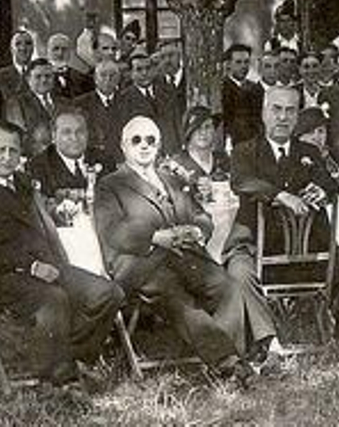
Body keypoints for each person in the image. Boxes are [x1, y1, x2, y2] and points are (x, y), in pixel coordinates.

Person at [92, 116, 269, 384]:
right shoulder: (110, 184)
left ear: (159, 145)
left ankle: (226, 358)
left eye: (151, 140)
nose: (144, 146)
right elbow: (113, 231)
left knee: (227, 286)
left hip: (184, 255)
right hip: (142, 263)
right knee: (178, 299)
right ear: (123, 146)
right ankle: (229, 365)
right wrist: (155, 236)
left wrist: (198, 231)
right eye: (136, 140)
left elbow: (201, 215)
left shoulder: (170, 179)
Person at [0, 121, 123, 387]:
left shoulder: (22, 182)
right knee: (54, 299)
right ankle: (61, 379)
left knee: (109, 293)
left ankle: (76, 357)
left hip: (48, 265)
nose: (7, 156)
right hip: (2, 277)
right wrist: (31, 265)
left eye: (13, 150)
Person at [230, 87, 339, 340]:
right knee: (238, 273)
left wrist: (322, 190)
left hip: (310, 258)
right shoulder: (245, 152)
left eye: (290, 111)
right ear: (264, 113)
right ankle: (267, 343)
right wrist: (281, 196)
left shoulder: (309, 152)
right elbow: (241, 181)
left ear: (297, 117)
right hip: (261, 255)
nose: (282, 118)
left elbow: (330, 183)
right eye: (276, 110)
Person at [31, 107, 106, 199]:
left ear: (87, 133)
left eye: (80, 131)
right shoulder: (37, 167)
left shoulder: (104, 159)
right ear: (54, 136)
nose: (74, 138)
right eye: (67, 132)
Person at [120, 51, 181, 154]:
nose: (144, 73)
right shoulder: (124, 99)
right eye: (139, 69)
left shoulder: (168, 92)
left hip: (171, 153)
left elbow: (177, 123)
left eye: (148, 68)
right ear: (130, 73)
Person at [72, 59, 127, 164]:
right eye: (103, 75)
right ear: (95, 79)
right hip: (93, 162)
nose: (108, 79)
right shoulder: (80, 103)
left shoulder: (127, 102)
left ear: (118, 79)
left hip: (121, 161)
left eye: (112, 75)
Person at [3, 58, 59, 157]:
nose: (44, 80)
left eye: (48, 76)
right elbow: (17, 138)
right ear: (28, 79)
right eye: (38, 77)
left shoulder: (65, 102)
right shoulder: (16, 103)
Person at [220, 44, 265, 146]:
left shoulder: (256, 89)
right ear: (228, 64)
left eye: (246, 62)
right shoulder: (222, 89)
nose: (243, 66)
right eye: (238, 62)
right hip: (231, 143)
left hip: (254, 143)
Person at [0, 30, 38, 120]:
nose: (23, 48)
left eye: (28, 43)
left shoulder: (42, 74)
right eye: (18, 44)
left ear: (33, 48)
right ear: (11, 49)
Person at [172, 106, 230, 180]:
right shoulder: (177, 164)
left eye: (208, 127)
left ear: (214, 131)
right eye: (197, 128)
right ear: (189, 133)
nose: (203, 132)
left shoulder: (224, 161)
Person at [46, 33, 94, 100]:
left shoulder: (81, 78)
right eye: (55, 49)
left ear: (70, 53)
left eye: (64, 49)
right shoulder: (39, 77)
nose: (60, 53)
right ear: (48, 51)